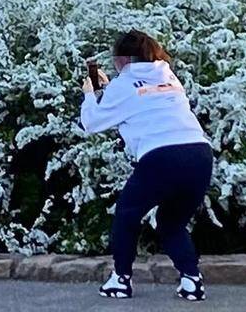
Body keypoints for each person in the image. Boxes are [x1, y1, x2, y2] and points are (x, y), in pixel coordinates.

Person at [80, 29, 213, 301]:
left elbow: (92, 123)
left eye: (115, 60)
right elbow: (144, 100)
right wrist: (109, 89)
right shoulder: (169, 77)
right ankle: (191, 280)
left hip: (161, 156)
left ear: (123, 60)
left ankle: (120, 280)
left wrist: (90, 94)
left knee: (127, 214)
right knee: (171, 222)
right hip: (199, 154)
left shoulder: (123, 83)